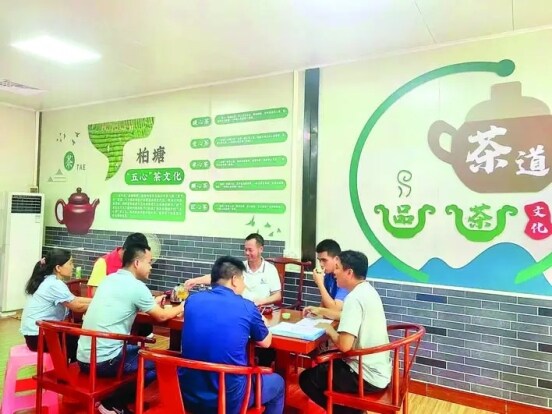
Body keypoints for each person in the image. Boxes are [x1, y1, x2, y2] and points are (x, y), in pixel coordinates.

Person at [77, 243, 184, 414]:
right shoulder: (136, 287)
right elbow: (162, 316)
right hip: (104, 362)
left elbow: (123, 303)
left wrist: (151, 303)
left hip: (83, 357)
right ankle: (113, 402)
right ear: (137, 263)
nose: (151, 267)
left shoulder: (109, 279)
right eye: (149, 262)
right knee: (162, 362)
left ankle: (114, 400)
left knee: (141, 352)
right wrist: (183, 306)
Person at [180, 256, 284, 414]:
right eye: (243, 279)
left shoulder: (192, 300)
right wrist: (263, 321)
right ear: (235, 280)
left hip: (187, 394)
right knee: (278, 383)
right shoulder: (247, 307)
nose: (244, 284)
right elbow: (265, 342)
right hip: (229, 399)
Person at [299, 250, 391, 414]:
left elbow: (344, 346)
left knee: (307, 379)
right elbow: (347, 316)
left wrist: (328, 328)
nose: (334, 272)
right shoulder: (367, 290)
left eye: (338, 268)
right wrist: (321, 311)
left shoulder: (353, 298)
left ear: (349, 272)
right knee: (323, 366)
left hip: (364, 375)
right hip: (380, 370)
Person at [20, 248, 91, 361]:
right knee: (81, 342)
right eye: (70, 263)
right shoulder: (54, 284)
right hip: (39, 337)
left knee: (76, 338)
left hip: (34, 336)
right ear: (58, 268)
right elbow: (77, 305)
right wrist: (99, 302)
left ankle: (70, 368)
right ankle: (70, 371)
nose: (73, 267)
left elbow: (76, 300)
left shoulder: (48, 280)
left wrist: (97, 300)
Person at [184, 233, 281, 306]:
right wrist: (195, 281)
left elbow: (277, 296)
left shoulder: (270, 269)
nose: (247, 253)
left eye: (250, 250)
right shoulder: (239, 267)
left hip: (263, 309)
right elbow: (218, 277)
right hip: (241, 308)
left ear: (261, 249)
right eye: (245, 249)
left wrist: (261, 301)